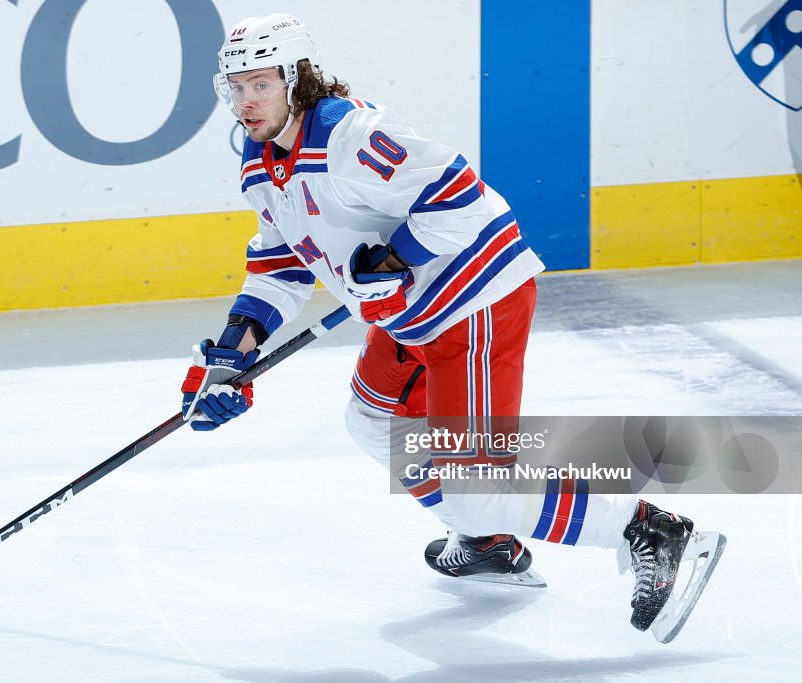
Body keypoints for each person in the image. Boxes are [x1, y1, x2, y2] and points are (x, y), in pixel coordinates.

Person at [180, 13, 724, 642]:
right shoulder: (260, 157)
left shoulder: (349, 134)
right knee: (373, 420)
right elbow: (280, 265)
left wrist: (393, 259)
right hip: (406, 318)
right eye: (236, 86)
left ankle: (648, 529)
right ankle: (490, 542)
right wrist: (230, 356)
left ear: (296, 78)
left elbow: (459, 195)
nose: (246, 101)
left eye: (261, 84)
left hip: (473, 305)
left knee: (477, 484)